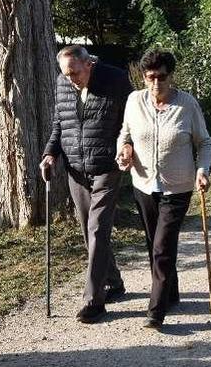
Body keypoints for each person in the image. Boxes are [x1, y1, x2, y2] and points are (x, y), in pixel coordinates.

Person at [116, 49, 211, 330]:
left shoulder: (187, 105)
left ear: (171, 76)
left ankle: (156, 310)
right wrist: (124, 150)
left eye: (162, 77)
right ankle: (170, 292)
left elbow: (205, 143)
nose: (156, 83)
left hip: (178, 187)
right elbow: (126, 134)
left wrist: (202, 170)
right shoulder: (134, 101)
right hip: (143, 184)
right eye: (150, 78)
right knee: (154, 244)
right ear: (143, 78)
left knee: (162, 246)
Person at [41, 45, 134, 324]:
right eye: (65, 74)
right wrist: (50, 153)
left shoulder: (115, 79)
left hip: (108, 166)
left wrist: (127, 146)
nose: (70, 79)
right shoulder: (62, 82)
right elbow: (60, 122)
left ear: (89, 64)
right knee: (87, 229)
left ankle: (94, 300)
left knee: (97, 228)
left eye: (74, 73)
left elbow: (131, 121)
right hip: (76, 169)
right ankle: (114, 281)